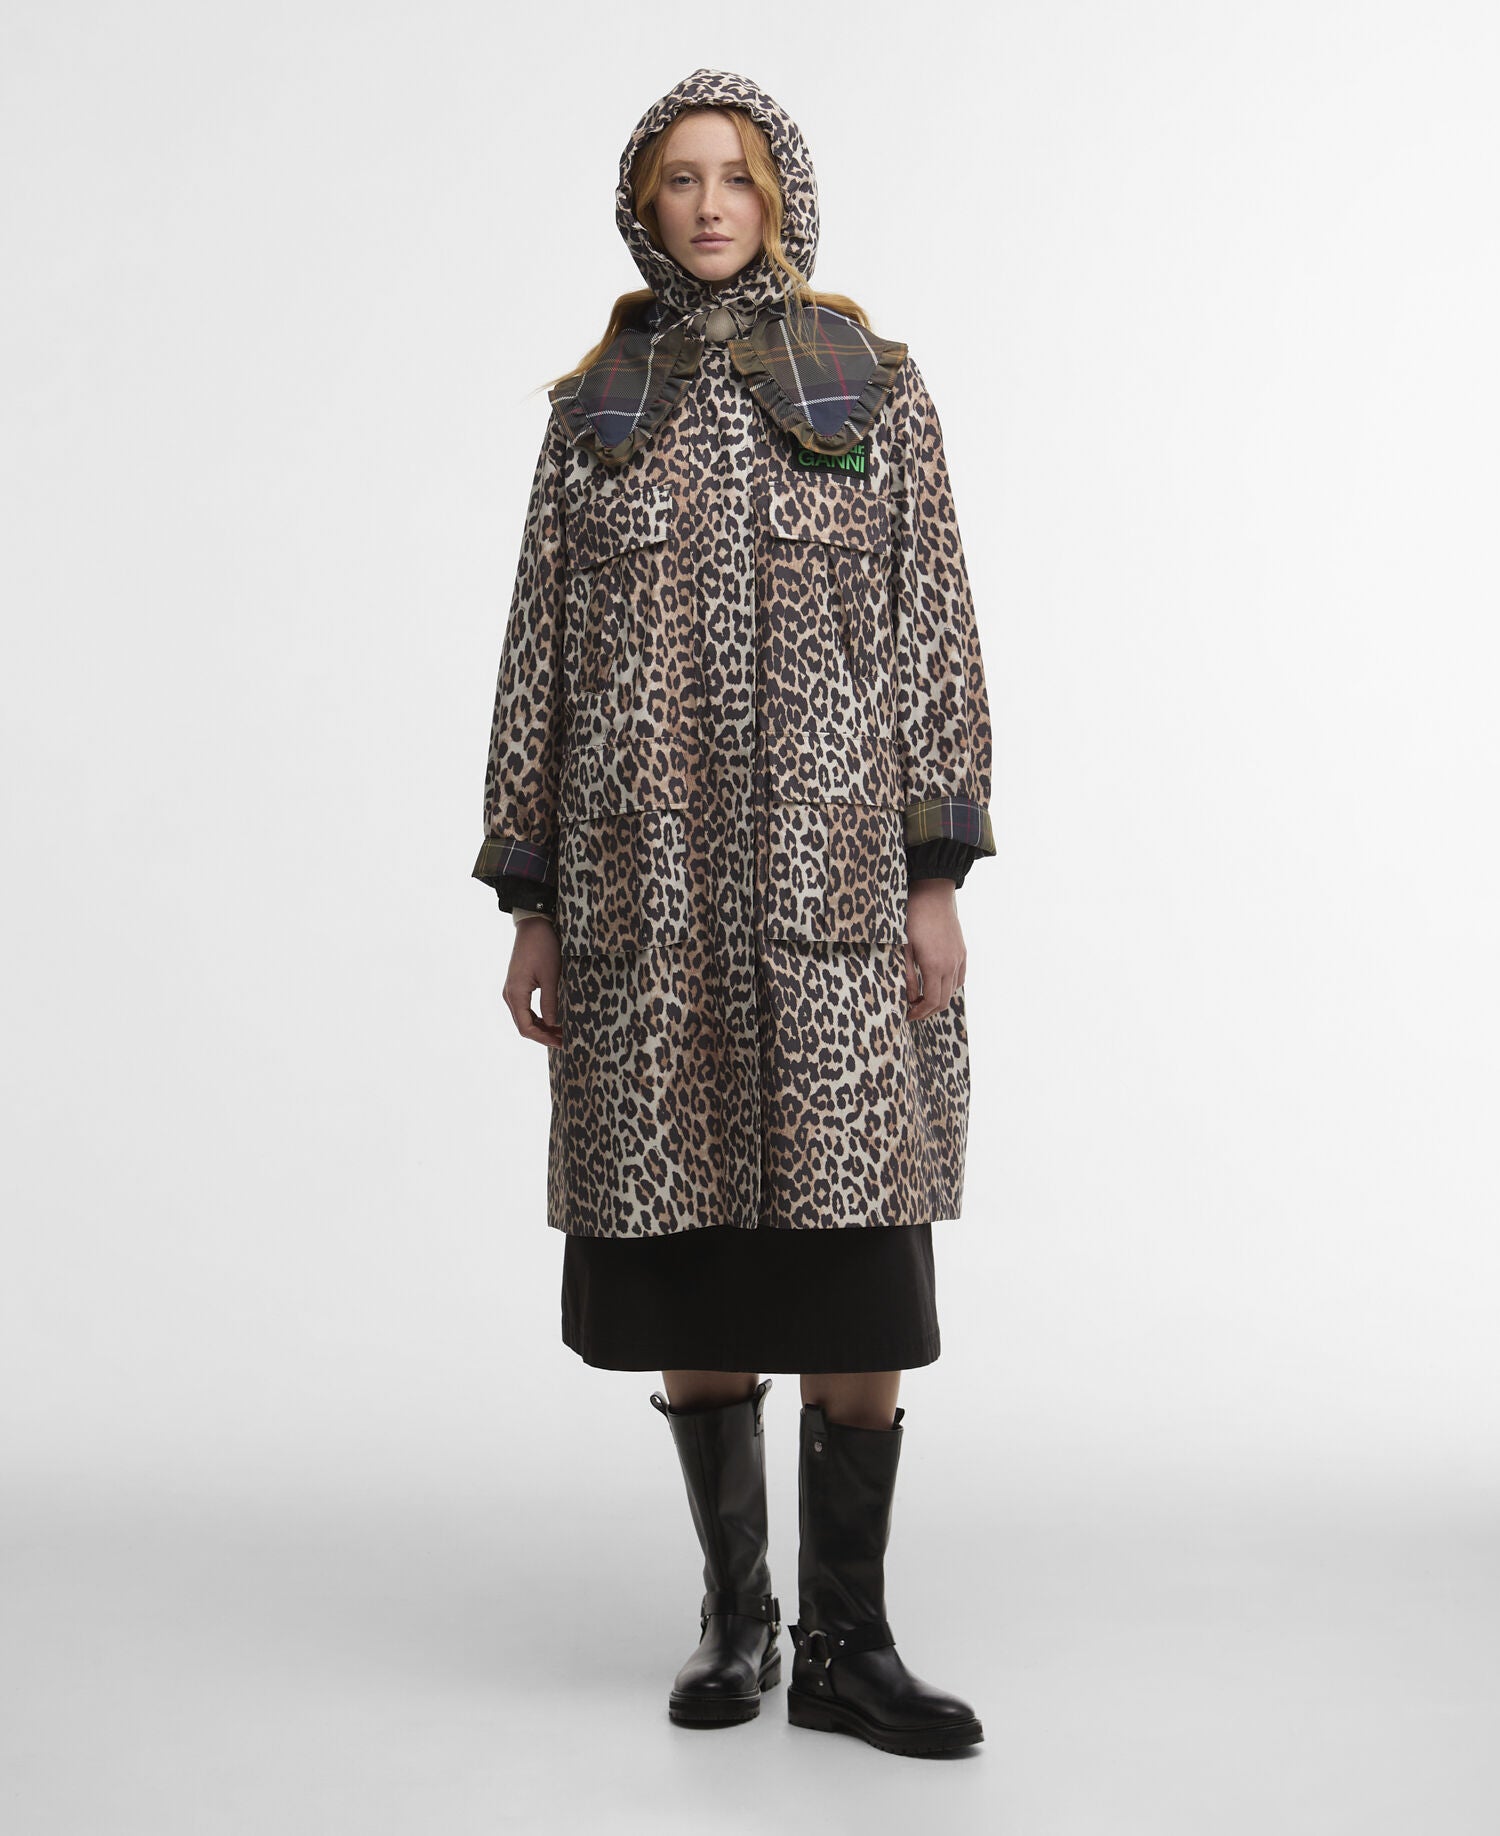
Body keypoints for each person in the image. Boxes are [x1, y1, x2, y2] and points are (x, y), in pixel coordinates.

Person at [472, 69, 995, 1757]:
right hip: (652, 912)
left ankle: (851, 1642)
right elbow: (540, 664)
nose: (710, 206)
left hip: (833, 901)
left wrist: (932, 877)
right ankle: (736, 1616)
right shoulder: (595, 416)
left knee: (859, 1278)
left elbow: (934, 634)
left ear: (782, 200)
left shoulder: (871, 392)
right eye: (682, 181)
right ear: (645, 206)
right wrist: (534, 903)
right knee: (685, 1274)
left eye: (738, 178)